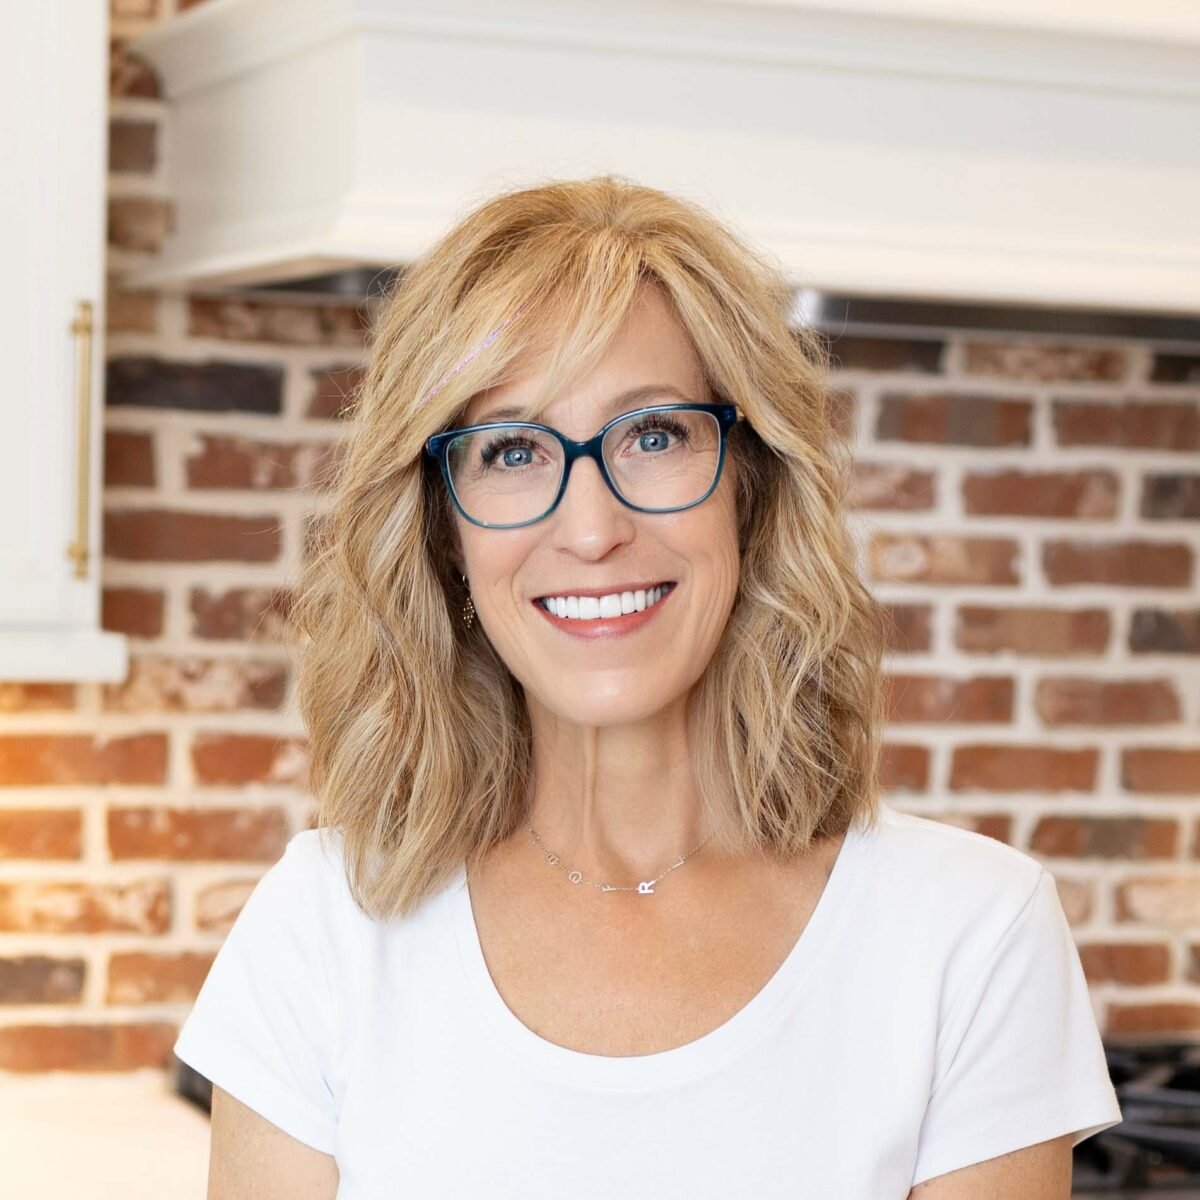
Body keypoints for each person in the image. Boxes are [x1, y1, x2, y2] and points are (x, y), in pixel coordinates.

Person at [173, 175, 1122, 1199]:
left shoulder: (971, 936)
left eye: (655, 435)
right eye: (511, 450)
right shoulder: (324, 930)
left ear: (751, 485)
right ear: (444, 532)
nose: (592, 530)